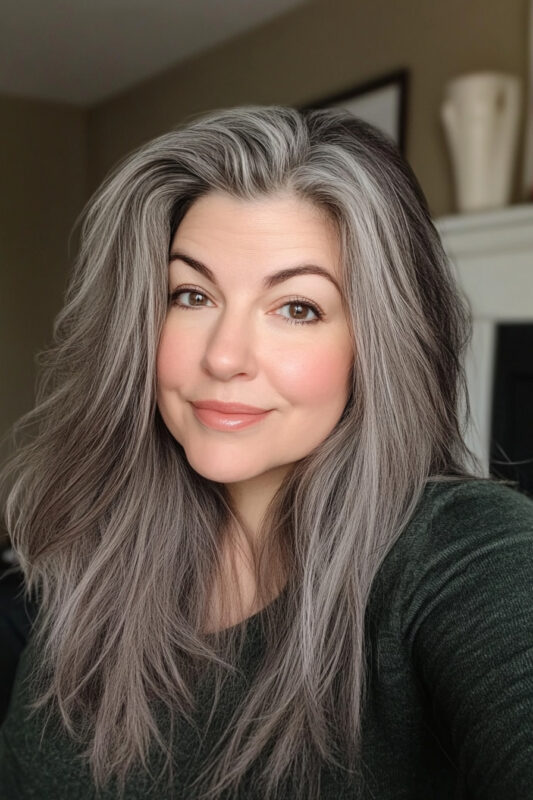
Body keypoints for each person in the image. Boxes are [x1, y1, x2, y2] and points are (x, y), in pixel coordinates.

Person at [0, 104, 532, 800]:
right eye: (190, 294)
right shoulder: (94, 552)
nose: (223, 356)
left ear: (376, 347)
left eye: (297, 308)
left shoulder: (459, 553)